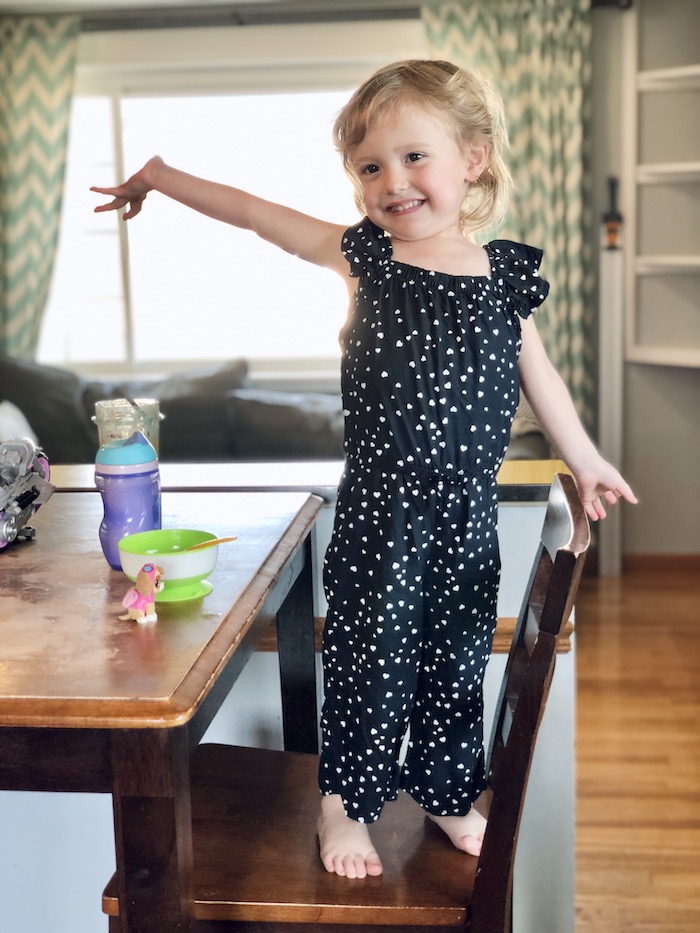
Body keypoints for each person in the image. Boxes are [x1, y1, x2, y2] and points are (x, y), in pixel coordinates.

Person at [92, 58, 637, 881]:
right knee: (368, 660)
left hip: (465, 515)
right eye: (371, 167)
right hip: (382, 512)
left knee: (453, 663)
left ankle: (451, 794)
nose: (393, 181)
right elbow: (253, 214)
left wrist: (586, 456)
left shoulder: (502, 280)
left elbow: (541, 377)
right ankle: (343, 802)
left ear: (473, 160)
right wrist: (162, 176)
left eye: (415, 156)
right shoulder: (366, 261)